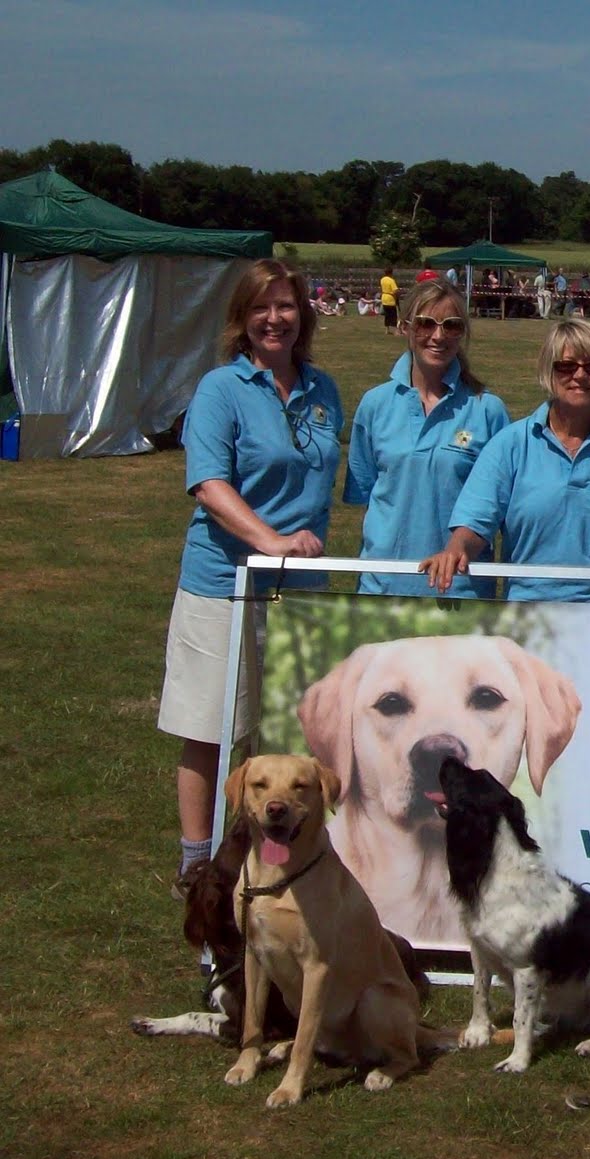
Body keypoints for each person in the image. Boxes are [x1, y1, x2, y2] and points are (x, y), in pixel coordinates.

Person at [157, 259, 342, 895]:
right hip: (224, 582)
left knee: (279, 740)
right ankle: (197, 864)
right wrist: (272, 544)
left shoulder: (324, 391)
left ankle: (267, 855)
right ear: (242, 317)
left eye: (286, 307)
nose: (275, 319)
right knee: (212, 727)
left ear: (303, 316)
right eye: (262, 308)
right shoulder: (220, 389)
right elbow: (209, 483)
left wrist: (297, 556)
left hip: (298, 596)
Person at [422, 318, 590, 606]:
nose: (580, 376)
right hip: (532, 611)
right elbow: (475, 523)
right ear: (548, 370)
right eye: (567, 366)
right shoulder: (509, 445)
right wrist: (455, 548)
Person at [345, 280, 511, 597]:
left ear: (462, 332)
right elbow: (368, 500)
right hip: (384, 587)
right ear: (405, 327)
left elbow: (500, 508)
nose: (438, 336)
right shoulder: (374, 405)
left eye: (451, 325)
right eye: (425, 324)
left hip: (461, 591)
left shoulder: (488, 410)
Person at [379, 266, 399, 335]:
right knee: (393, 315)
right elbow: (395, 290)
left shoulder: (382, 279)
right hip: (390, 298)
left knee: (387, 315)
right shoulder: (391, 280)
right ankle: (396, 331)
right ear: (391, 273)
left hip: (384, 297)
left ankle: (387, 330)